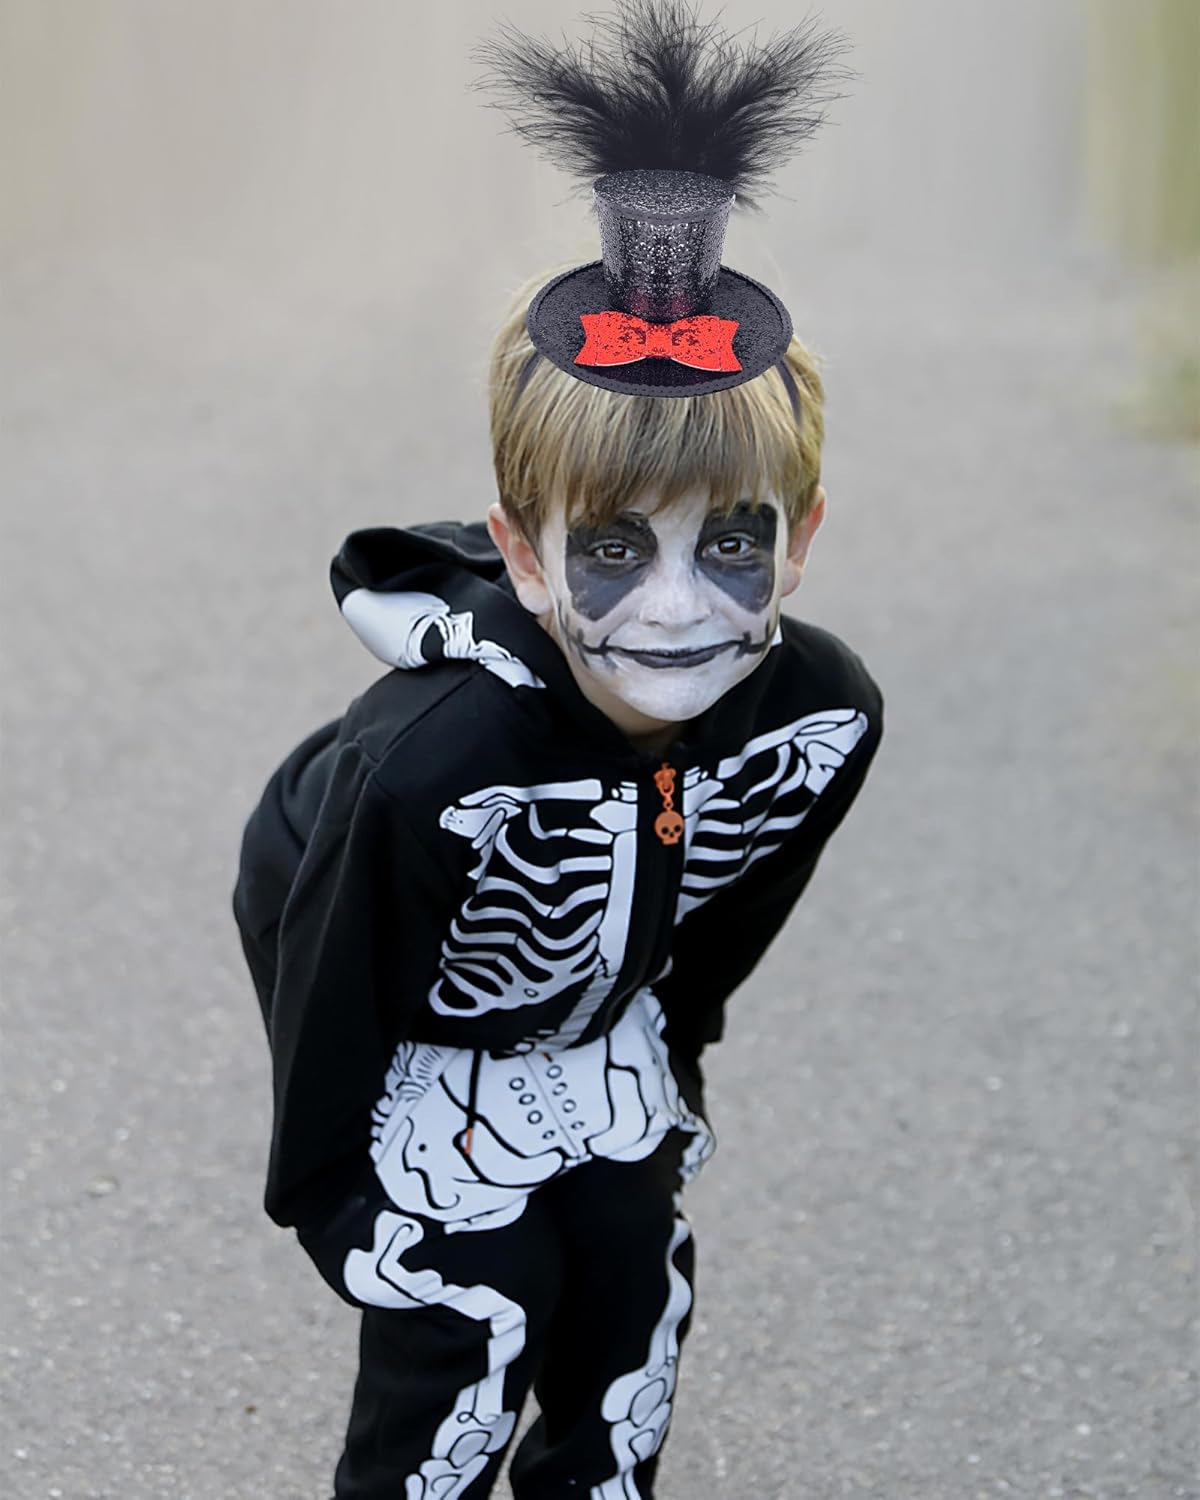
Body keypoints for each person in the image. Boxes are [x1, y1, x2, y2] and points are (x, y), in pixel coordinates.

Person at [232, 4, 881, 1495]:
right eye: (606, 548)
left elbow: (722, 918)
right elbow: (326, 958)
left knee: (632, 1295)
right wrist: (335, 1194)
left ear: (802, 546)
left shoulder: (821, 716)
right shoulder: (426, 766)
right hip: (397, 988)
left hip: (603, 1013)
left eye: (731, 543)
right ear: (521, 557)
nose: (670, 608)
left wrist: (676, 1060)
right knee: (471, 1316)